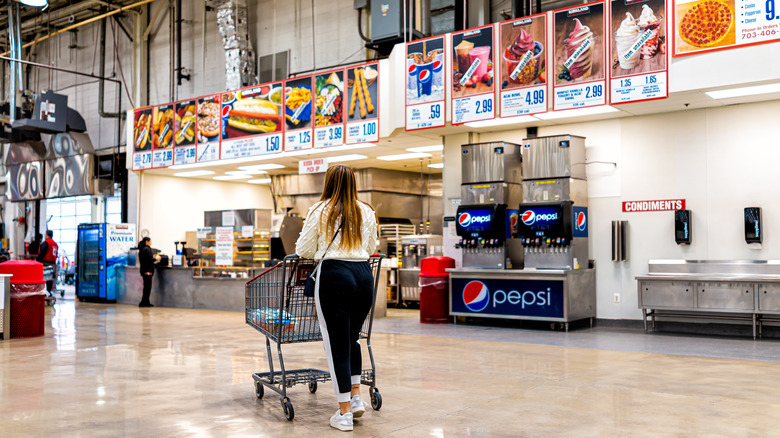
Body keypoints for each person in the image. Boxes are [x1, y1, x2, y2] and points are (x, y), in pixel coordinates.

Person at [295, 165, 378, 432]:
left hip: (334, 275)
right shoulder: (366, 210)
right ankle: (355, 399)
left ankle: (343, 414)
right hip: (364, 276)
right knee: (353, 339)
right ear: (354, 182)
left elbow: (303, 249)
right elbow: (371, 247)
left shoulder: (319, 210)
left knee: (336, 345)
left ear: (328, 182)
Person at [137, 237, 160, 308]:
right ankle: (145, 302)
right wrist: (156, 258)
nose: (151, 242)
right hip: (148, 271)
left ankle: (145, 301)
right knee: (147, 287)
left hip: (144, 270)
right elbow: (150, 260)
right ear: (147, 241)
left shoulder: (142, 249)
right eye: (150, 241)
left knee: (146, 287)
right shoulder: (147, 249)